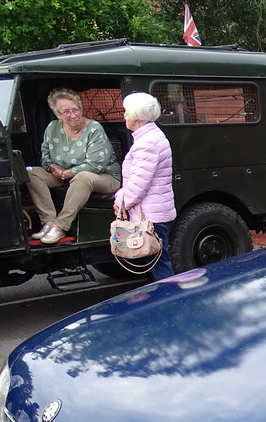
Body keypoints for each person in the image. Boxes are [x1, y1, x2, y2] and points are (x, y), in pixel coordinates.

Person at [26, 88, 121, 244]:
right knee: (32, 173)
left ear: (81, 108)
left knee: (83, 177)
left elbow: (95, 165)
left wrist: (67, 173)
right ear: (57, 114)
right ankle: (48, 222)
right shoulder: (52, 128)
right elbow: (44, 156)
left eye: (75, 110)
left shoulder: (94, 129)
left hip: (104, 177)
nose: (73, 115)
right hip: (65, 175)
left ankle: (61, 226)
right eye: (66, 112)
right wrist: (52, 168)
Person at [114, 92, 176, 281]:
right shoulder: (152, 136)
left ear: (137, 116)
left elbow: (139, 183)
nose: (124, 115)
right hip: (156, 211)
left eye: (126, 111)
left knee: (158, 263)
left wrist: (121, 201)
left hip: (151, 215)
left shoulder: (146, 143)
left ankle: (169, 301)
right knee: (159, 260)